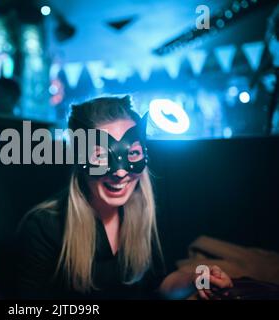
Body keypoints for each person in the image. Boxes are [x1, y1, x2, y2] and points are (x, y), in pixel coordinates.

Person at [16, 95, 233, 299]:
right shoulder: (44, 227)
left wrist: (199, 279)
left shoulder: (146, 210)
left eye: (133, 153)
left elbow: (159, 284)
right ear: (79, 160)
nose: (120, 172)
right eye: (100, 156)